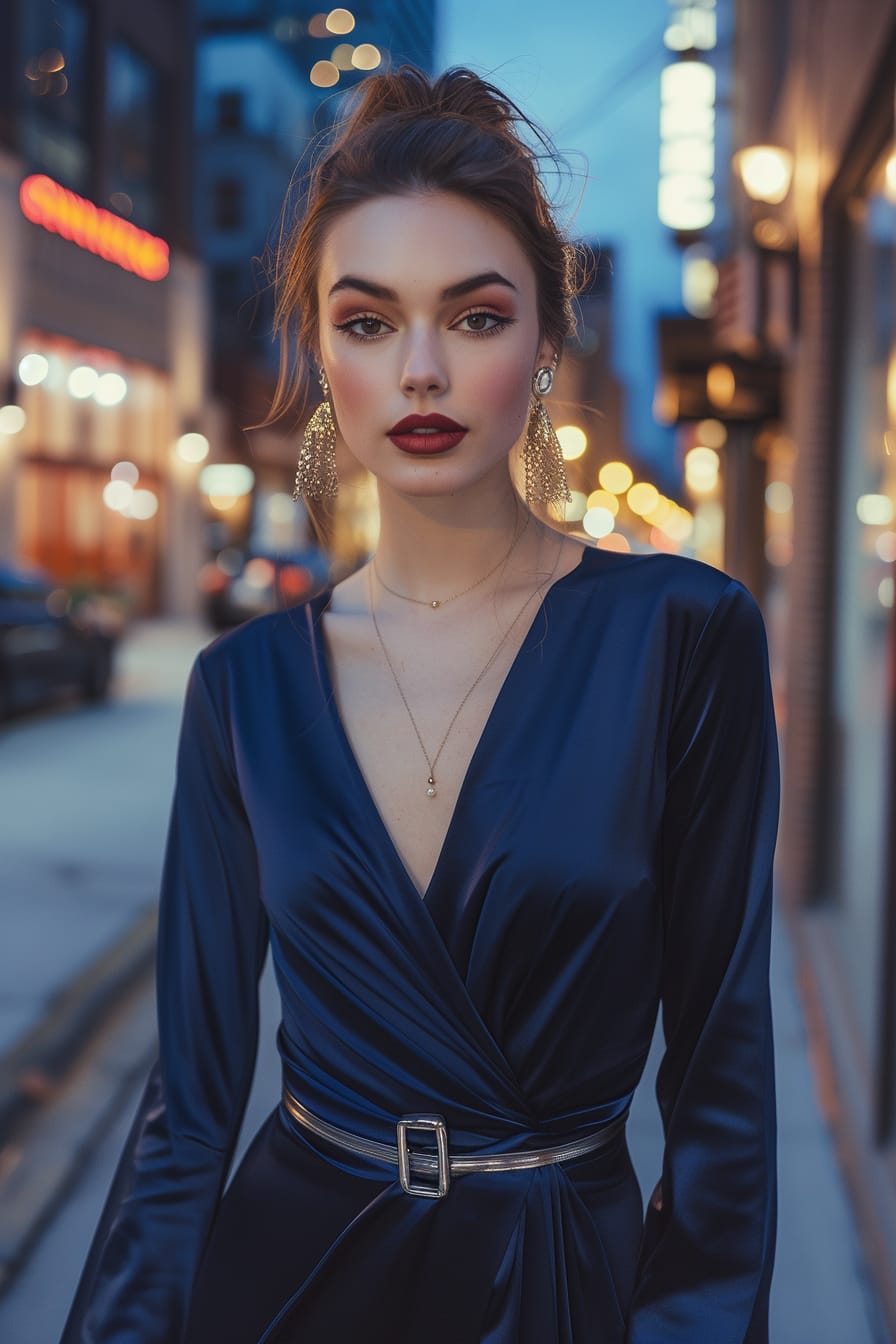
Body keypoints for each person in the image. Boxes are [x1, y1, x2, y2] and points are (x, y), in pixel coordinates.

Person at [60, 64, 781, 1344]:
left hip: (562, 1285)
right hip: (287, 1281)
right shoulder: (243, 690)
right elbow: (188, 1103)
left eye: (476, 316)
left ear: (546, 342)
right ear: (321, 349)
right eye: (369, 319)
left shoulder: (681, 637)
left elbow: (722, 1084)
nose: (422, 371)